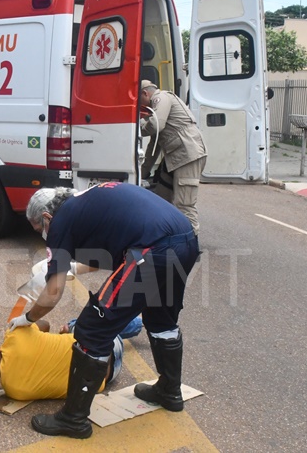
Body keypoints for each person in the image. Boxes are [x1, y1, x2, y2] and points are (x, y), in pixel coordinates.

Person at [11, 183, 199, 439]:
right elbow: (109, 253)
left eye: (39, 229)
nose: (43, 234)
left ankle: (73, 419)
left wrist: (27, 317)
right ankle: (169, 391)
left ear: (46, 217)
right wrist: (72, 267)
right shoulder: (82, 203)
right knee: (160, 318)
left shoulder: (60, 221)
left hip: (153, 249)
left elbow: (53, 292)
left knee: (92, 328)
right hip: (184, 239)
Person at [0, 319, 125, 401]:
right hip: (104, 344)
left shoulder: (14, 392)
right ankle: (136, 322)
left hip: (108, 375)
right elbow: (45, 324)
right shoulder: (14, 335)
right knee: (77, 322)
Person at [139, 80, 207, 234]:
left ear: (145, 93)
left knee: (184, 204)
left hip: (187, 155)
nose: (140, 106)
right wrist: (141, 173)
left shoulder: (161, 98)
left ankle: (191, 244)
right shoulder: (156, 108)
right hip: (176, 157)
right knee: (162, 199)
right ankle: (165, 238)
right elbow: (153, 147)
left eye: (139, 100)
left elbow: (156, 126)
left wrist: (136, 127)